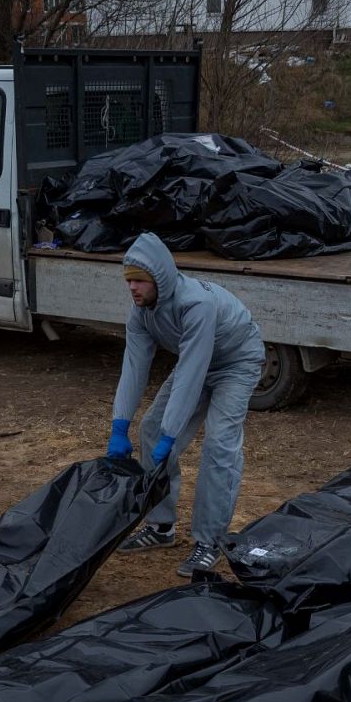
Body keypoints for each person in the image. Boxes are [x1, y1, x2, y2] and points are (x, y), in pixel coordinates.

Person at [106, 233, 265, 578]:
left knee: (219, 444)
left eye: (139, 281)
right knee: (150, 429)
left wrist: (171, 436)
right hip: (197, 359)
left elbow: (192, 374)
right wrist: (119, 425)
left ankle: (210, 541)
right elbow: (133, 368)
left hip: (235, 363)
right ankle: (160, 527)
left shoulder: (196, 305)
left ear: (158, 279)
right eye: (128, 280)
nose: (132, 288)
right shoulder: (141, 312)